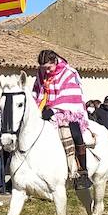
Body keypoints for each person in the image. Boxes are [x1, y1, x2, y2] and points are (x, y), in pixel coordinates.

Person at [32, 50, 91, 183]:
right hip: (44, 109)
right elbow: (36, 91)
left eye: (48, 68)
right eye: (43, 68)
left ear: (55, 62)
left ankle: (82, 171)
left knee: (74, 132)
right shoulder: (41, 73)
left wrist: (54, 110)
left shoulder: (69, 72)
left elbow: (70, 96)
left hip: (68, 111)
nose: (46, 71)